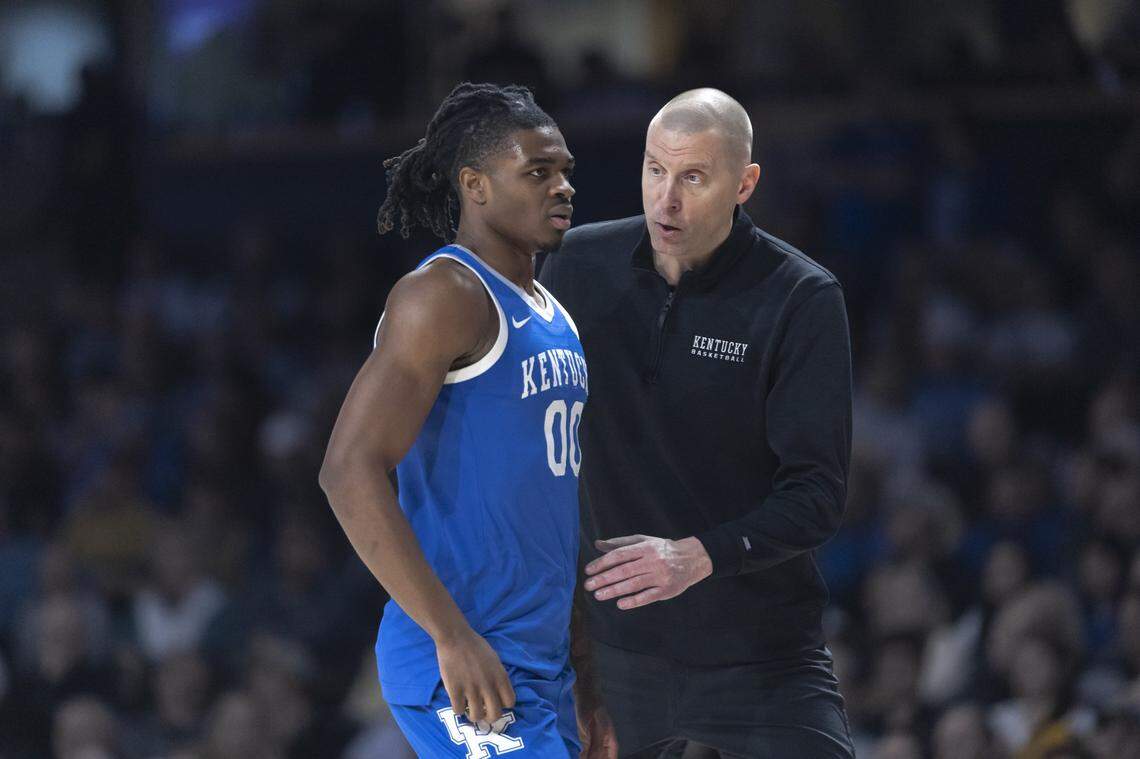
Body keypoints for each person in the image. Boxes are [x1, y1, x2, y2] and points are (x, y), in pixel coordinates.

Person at [539, 88, 855, 757]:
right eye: (656, 170)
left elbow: (817, 496)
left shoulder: (801, 298)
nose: (666, 200)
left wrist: (697, 556)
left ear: (745, 184)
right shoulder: (575, 265)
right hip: (620, 656)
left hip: (758, 654)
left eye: (692, 177)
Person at [319, 82, 616, 758]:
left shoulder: (555, 317)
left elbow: (553, 517)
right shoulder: (445, 294)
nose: (563, 186)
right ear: (475, 186)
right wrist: (450, 635)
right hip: (464, 655)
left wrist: (588, 679)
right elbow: (347, 468)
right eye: (537, 172)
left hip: (541, 668)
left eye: (566, 170)